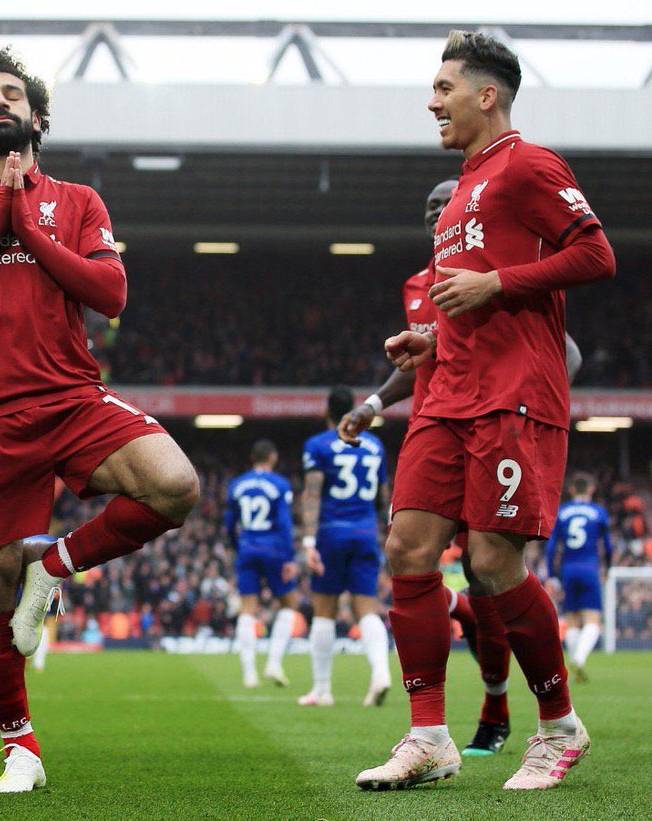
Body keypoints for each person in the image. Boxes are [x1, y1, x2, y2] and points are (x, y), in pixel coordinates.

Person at [0, 48, 199, 793]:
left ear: (36, 119)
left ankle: (57, 562)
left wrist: (28, 229)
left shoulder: (77, 201)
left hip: (69, 396)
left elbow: (111, 292)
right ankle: (21, 751)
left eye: (13, 94)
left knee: (175, 485)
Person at [356, 30, 615, 791]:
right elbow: (467, 302)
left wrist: (497, 284)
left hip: (514, 393)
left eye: (444, 89)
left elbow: (596, 255)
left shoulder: (528, 164)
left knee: (494, 562)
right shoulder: (458, 196)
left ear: (486, 94)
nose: (432, 102)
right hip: (447, 394)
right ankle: (429, 736)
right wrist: (431, 338)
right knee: (407, 548)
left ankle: (559, 725)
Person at [297, 387, 391, 708]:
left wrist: (309, 541)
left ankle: (322, 690)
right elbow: (382, 496)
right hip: (366, 532)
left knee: (324, 611)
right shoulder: (375, 445)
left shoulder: (318, 445)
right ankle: (380, 673)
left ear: (327, 412)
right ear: (352, 411)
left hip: (331, 533)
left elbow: (312, 494)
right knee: (366, 607)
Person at [224, 439, 298, 688]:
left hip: (247, 548)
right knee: (289, 602)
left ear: (252, 457)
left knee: (247, 607)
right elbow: (285, 524)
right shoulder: (279, 484)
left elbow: (229, 523)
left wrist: (238, 546)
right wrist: (289, 557)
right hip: (274, 549)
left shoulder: (237, 485)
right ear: (272, 457)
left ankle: (249, 674)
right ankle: (274, 663)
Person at [546, 472, 612, 682]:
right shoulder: (598, 511)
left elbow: (551, 547)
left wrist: (551, 574)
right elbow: (608, 545)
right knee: (593, 620)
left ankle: (574, 664)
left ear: (571, 489)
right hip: (589, 568)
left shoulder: (562, 511)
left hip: (568, 569)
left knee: (572, 619)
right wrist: (608, 568)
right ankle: (579, 659)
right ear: (591, 489)